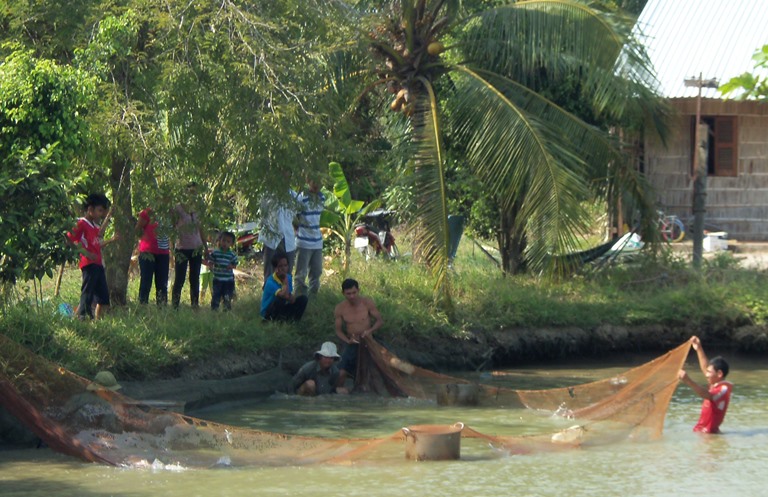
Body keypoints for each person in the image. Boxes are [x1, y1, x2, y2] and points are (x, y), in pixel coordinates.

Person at [66, 193, 117, 320]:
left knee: (103, 298)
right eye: (100, 211)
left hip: (98, 264)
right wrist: (86, 253)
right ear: (90, 210)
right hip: (88, 264)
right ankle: (81, 318)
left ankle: (96, 321)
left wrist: (109, 215)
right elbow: (69, 239)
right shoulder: (81, 223)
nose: (101, 214)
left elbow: (98, 238)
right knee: (87, 293)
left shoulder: (93, 225)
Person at [334, 278, 383, 390]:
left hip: (368, 342)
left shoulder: (367, 303)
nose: (352, 296)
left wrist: (369, 331)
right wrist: (347, 341)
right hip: (352, 343)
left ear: (358, 290)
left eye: (354, 293)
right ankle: (337, 393)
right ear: (343, 293)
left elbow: (379, 321)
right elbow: (338, 331)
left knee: (369, 372)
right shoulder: (340, 308)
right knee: (341, 372)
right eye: (348, 294)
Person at [678, 336, 732, 434]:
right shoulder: (716, 384)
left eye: (709, 372)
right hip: (702, 432)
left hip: (708, 435)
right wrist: (698, 348)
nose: (706, 375)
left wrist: (688, 381)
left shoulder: (723, 389)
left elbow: (708, 395)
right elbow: (705, 367)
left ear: (719, 374)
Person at [171, 182, 207, 309]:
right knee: (179, 278)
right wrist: (171, 248)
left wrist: (206, 247)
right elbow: (172, 228)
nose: (193, 195)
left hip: (196, 247)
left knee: (195, 278)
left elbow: (201, 229)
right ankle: (175, 306)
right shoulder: (177, 209)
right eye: (190, 192)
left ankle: (195, 305)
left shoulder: (198, 209)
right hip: (181, 248)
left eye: (195, 192)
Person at [259, 187, 299, 285]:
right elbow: (263, 214)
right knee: (269, 270)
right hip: (271, 236)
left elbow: (295, 215)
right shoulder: (267, 194)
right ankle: (268, 296)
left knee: (287, 270)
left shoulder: (294, 196)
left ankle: (286, 294)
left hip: (288, 237)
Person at [294, 178, 326, 296]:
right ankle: (299, 297)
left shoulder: (322, 198)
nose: (317, 185)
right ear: (308, 181)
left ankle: (313, 297)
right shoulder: (301, 198)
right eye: (314, 181)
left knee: (316, 272)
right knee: (300, 273)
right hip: (303, 240)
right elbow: (293, 217)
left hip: (317, 240)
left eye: (319, 182)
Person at [135, 207, 170, 305]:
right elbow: (137, 230)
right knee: (146, 282)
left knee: (162, 284)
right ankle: (142, 306)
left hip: (163, 252)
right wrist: (145, 239)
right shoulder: (147, 212)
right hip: (148, 252)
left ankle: (162, 309)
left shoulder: (170, 212)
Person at [261, 251, 308, 321]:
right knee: (279, 299)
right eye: (280, 266)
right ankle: (271, 320)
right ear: (275, 268)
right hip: (269, 311)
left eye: (285, 265)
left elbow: (289, 296)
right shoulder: (270, 281)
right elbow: (283, 295)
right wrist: (285, 282)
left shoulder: (288, 277)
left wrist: (292, 298)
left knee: (303, 299)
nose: (283, 268)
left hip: (282, 305)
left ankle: (294, 320)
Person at [206, 231, 239, 311]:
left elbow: (235, 264)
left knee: (227, 296)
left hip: (228, 280)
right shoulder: (216, 252)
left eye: (228, 242)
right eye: (223, 240)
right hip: (217, 279)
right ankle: (214, 309)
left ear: (231, 244)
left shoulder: (232, 254)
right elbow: (211, 261)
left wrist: (231, 266)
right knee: (216, 295)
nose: (225, 243)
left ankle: (227, 310)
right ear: (219, 240)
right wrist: (210, 264)